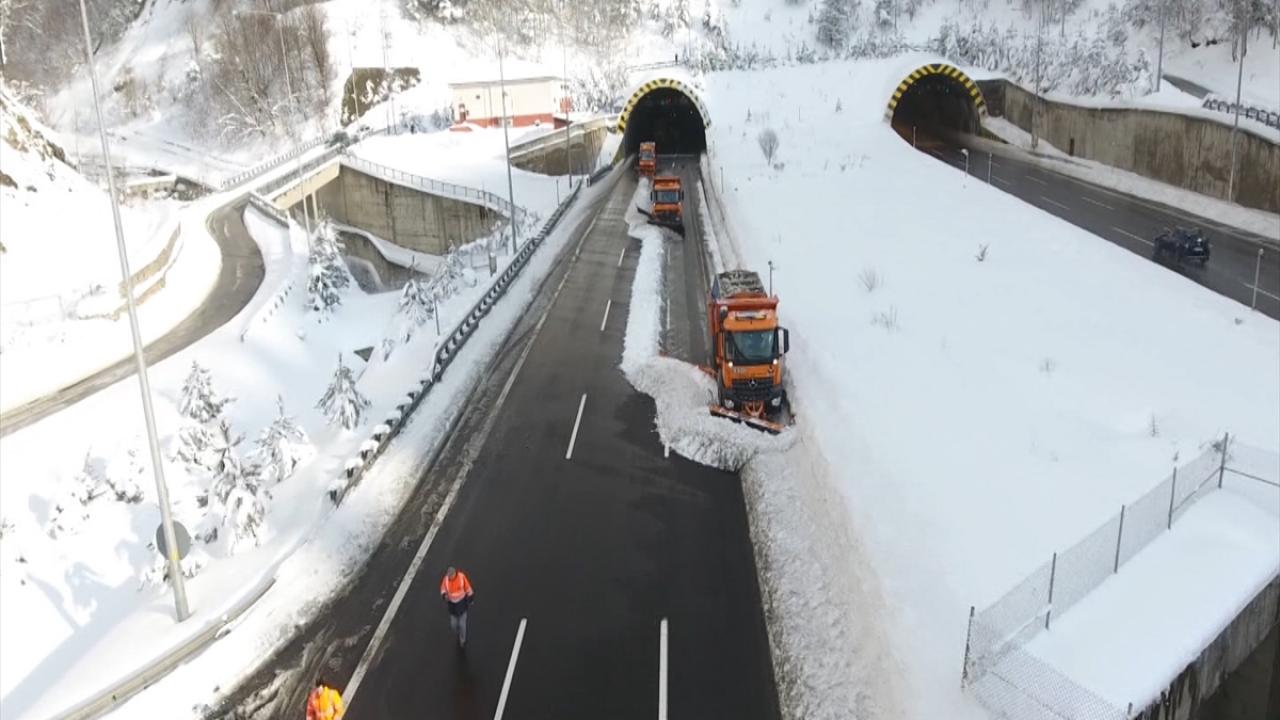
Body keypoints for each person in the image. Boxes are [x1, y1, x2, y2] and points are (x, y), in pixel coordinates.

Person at [440, 566, 475, 648]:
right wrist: (444, 596)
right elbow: (443, 589)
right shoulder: (446, 579)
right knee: (453, 625)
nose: (449, 577)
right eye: (448, 575)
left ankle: (462, 640)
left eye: (450, 576)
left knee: (462, 624)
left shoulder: (461, 577)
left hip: (462, 604)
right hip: (452, 606)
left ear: (454, 573)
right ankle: (459, 633)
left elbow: (468, 589)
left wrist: (471, 599)